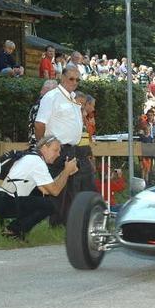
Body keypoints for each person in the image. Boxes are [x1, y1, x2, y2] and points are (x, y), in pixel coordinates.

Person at [34, 66, 96, 225]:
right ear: (62, 77)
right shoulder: (52, 96)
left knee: (71, 187)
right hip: (55, 149)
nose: (74, 82)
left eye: (77, 80)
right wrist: (42, 146)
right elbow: (40, 124)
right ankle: (53, 221)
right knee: (55, 186)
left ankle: (67, 223)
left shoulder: (73, 97)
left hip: (71, 148)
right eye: (71, 79)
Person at [0, 135, 78, 239]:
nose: (58, 154)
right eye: (55, 150)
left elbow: (46, 190)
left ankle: (14, 231)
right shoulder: (36, 162)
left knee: (42, 197)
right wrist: (66, 171)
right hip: (4, 201)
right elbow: (55, 191)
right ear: (44, 148)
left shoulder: (31, 157)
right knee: (50, 205)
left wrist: (65, 172)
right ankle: (13, 231)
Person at [27, 79, 58, 147]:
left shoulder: (39, 104)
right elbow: (39, 125)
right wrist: (43, 144)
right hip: (41, 146)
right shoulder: (42, 105)